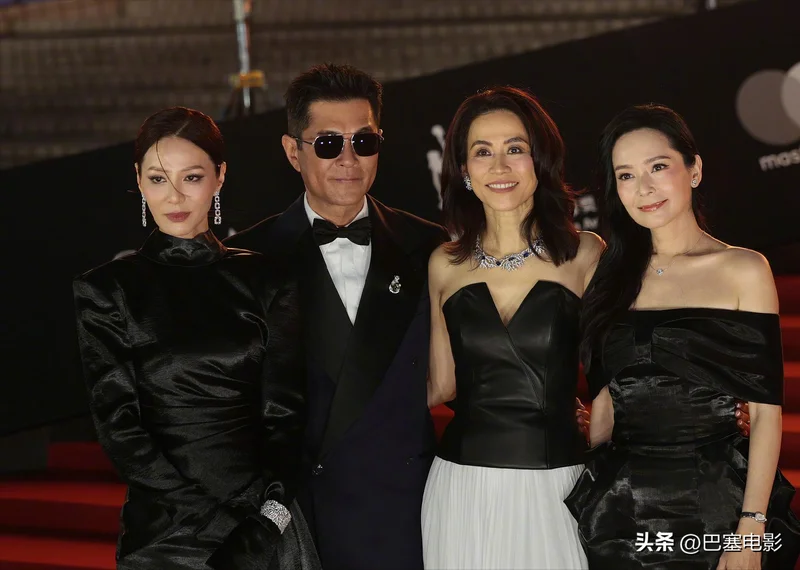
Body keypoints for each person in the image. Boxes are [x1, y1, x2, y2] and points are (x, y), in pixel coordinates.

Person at [73, 107, 319, 570]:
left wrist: (265, 525)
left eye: (192, 177)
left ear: (219, 177)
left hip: (260, 534)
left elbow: (287, 419)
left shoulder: (267, 280)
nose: (175, 196)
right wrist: (216, 525)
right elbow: (120, 428)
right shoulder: (107, 290)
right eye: (158, 179)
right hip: (164, 536)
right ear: (139, 181)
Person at [224, 63, 448, 570]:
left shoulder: (428, 246)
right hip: (305, 519)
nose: (349, 159)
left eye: (363, 142)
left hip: (408, 514)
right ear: (293, 152)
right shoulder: (248, 260)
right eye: (328, 144)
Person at [567, 103, 800, 569]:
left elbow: (765, 413)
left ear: (694, 170)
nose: (644, 188)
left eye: (658, 167)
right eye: (626, 175)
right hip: (623, 512)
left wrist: (750, 528)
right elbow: (607, 403)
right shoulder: (609, 277)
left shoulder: (743, 269)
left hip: (716, 504)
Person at [421, 86, 601, 569]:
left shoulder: (584, 254)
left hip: (557, 485)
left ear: (539, 160)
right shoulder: (444, 264)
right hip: (461, 489)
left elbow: (618, 372)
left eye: (515, 149)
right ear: (464, 169)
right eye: (482, 152)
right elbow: (441, 385)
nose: (499, 167)